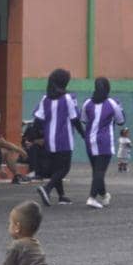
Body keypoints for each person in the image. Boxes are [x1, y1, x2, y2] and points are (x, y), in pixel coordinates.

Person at [32, 68, 85, 207]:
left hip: (50, 140)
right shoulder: (67, 98)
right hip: (64, 139)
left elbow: (37, 121)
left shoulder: (45, 99)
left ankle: (61, 196)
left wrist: (36, 137)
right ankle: (47, 188)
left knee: (56, 168)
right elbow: (75, 119)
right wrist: (83, 134)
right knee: (64, 168)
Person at [80, 77, 125, 209]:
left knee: (96, 171)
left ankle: (104, 195)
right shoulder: (112, 103)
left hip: (90, 141)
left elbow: (84, 119)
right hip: (104, 141)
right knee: (99, 172)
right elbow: (121, 121)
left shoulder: (87, 103)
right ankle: (92, 198)